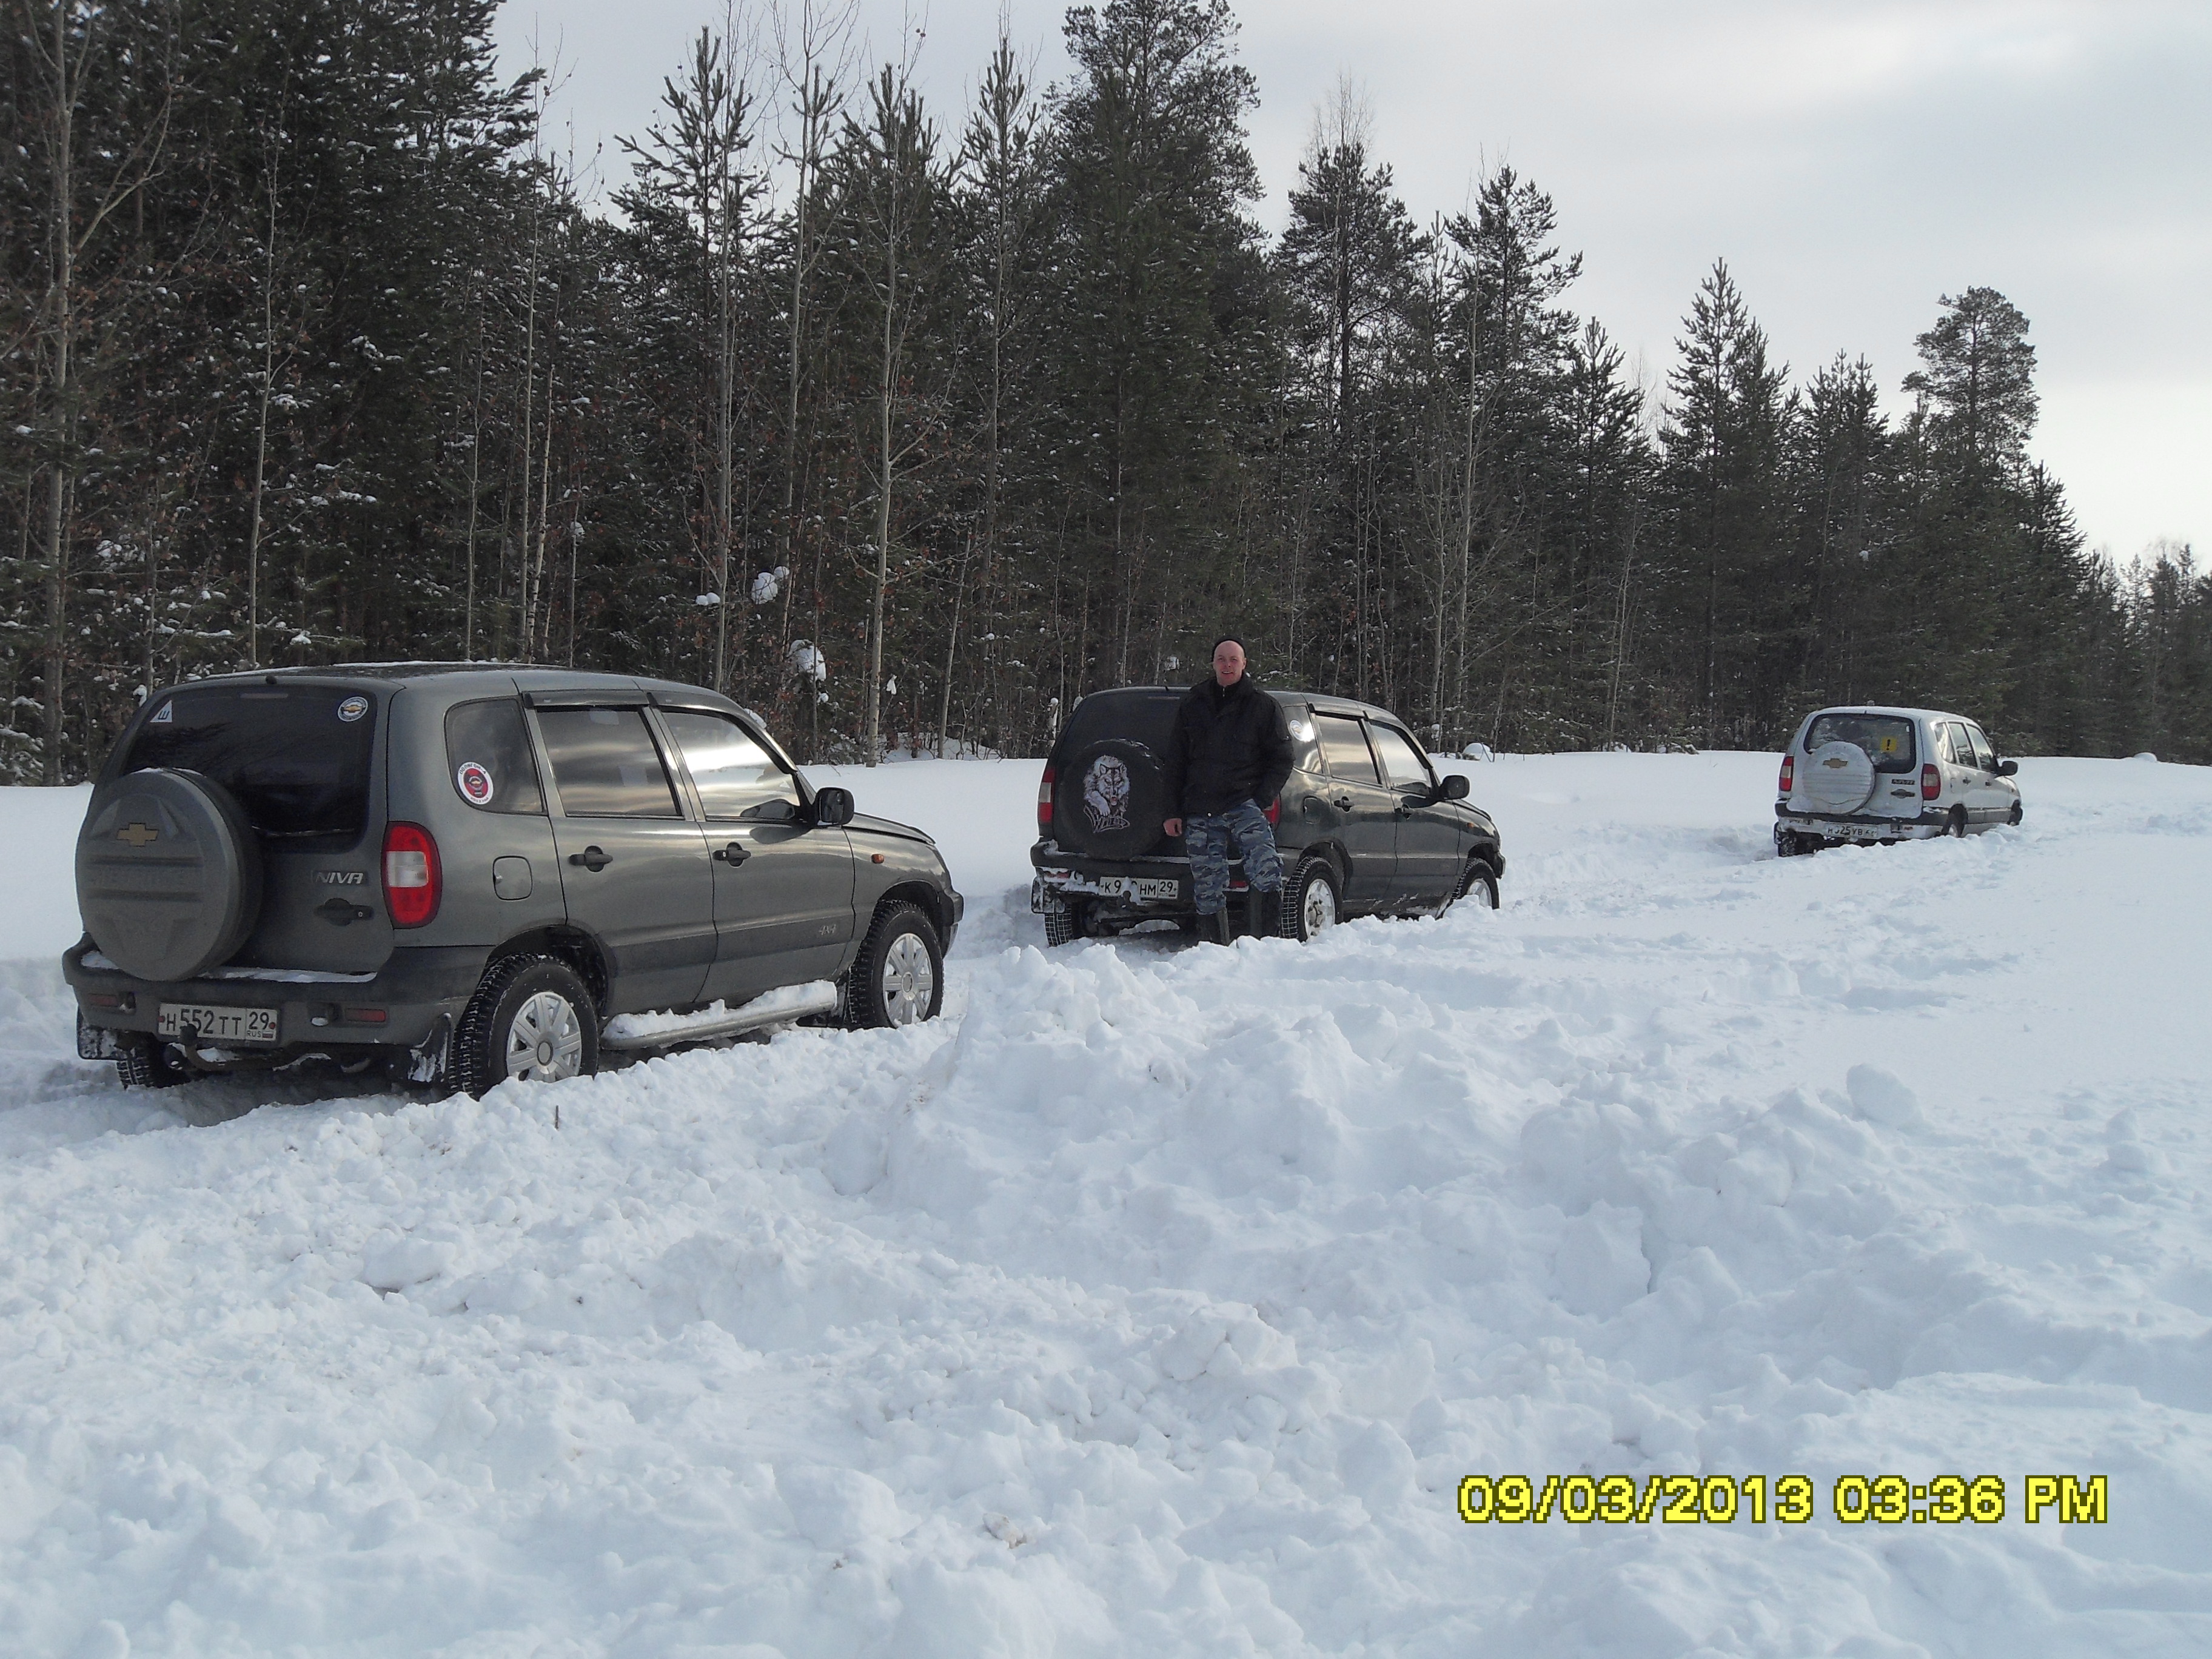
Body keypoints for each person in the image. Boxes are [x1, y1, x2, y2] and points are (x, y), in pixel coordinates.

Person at [1162, 637, 1293, 943]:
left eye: (1234, 659)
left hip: (1244, 804)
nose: (1227, 665)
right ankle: (1215, 950)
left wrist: (1260, 799)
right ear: (1213, 663)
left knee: (1267, 872)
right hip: (1200, 808)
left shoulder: (1262, 707)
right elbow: (1176, 761)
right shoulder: (1194, 704)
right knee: (1207, 885)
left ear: (1244, 664)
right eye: (1221, 659)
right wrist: (1171, 811)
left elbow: (1282, 759)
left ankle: (1264, 947)